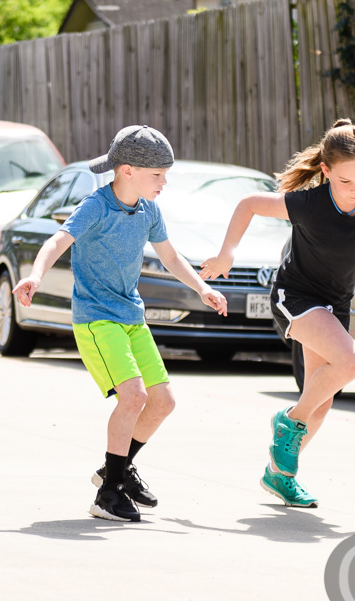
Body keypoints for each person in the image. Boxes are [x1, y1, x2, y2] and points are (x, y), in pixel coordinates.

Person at [12, 125, 227, 522]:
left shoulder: (149, 211)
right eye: (157, 175)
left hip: (131, 316)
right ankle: (108, 493)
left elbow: (171, 257)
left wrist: (201, 289)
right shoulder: (95, 206)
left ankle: (117, 469)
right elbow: (56, 242)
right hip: (97, 318)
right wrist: (36, 276)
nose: (164, 182)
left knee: (163, 401)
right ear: (127, 170)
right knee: (133, 397)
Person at [200, 119, 355, 508]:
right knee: (350, 361)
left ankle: (280, 476)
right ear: (326, 172)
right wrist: (228, 252)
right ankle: (290, 421)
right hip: (294, 295)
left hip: (335, 304)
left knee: (323, 399)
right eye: (345, 182)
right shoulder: (308, 203)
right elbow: (248, 205)